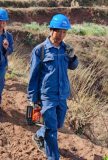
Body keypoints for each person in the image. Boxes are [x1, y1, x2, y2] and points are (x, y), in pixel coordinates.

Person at [27, 14, 78, 160]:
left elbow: (73, 66)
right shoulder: (40, 50)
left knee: (58, 124)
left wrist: (73, 56)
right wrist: (33, 98)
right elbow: (33, 76)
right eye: (59, 31)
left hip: (62, 95)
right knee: (51, 131)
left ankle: (38, 135)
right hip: (47, 96)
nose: (62, 35)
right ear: (51, 29)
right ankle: (53, 157)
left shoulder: (65, 49)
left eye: (64, 32)